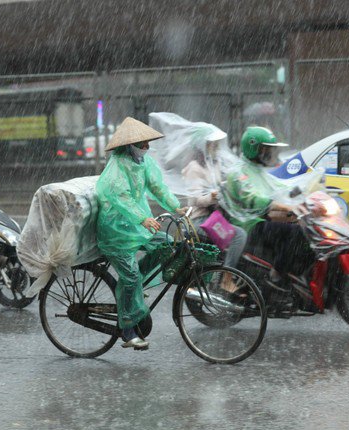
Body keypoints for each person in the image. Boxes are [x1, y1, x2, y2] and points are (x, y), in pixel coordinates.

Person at [96, 117, 185, 350]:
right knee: (130, 277)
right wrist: (142, 218)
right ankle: (127, 330)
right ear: (129, 145)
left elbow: (157, 187)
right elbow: (121, 197)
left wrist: (175, 207)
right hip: (115, 230)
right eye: (141, 143)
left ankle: (133, 291)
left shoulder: (143, 163)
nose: (146, 146)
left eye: (147, 143)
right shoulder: (117, 166)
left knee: (167, 245)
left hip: (135, 226)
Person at [224, 126, 323, 287]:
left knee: (309, 231)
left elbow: (279, 188)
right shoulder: (238, 173)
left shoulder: (258, 170)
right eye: (265, 149)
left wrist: (304, 195)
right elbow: (252, 199)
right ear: (253, 148)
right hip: (248, 224)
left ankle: (297, 275)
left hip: (263, 219)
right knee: (296, 233)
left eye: (269, 150)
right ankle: (276, 276)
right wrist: (286, 207)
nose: (269, 154)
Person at [181, 130, 248, 296]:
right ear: (202, 146)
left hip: (214, 217)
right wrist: (212, 196)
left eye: (216, 144)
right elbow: (196, 199)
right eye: (212, 144)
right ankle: (226, 279)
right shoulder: (194, 168)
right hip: (200, 220)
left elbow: (221, 184)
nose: (216, 148)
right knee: (239, 235)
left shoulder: (214, 164)